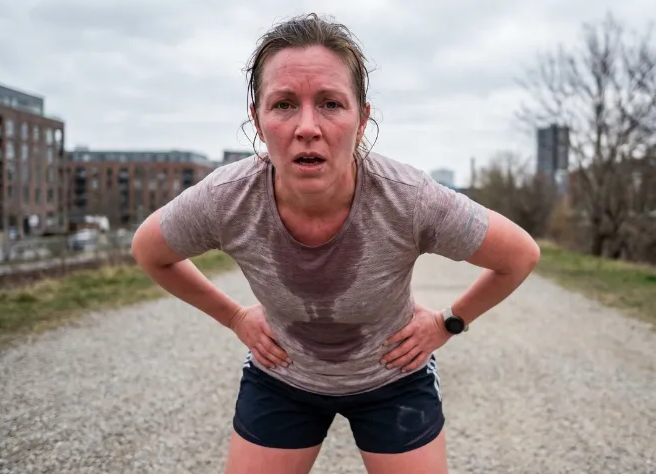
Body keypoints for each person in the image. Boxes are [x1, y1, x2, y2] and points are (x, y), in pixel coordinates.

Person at [131, 12, 540, 474]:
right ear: (258, 120)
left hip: (393, 379)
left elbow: (519, 255)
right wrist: (235, 317)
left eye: (330, 103)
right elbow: (150, 251)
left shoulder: (409, 199)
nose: (307, 126)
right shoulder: (225, 199)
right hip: (282, 378)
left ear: (362, 120)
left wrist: (448, 323)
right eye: (284, 104)